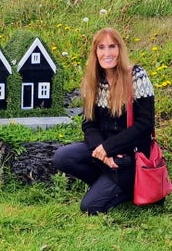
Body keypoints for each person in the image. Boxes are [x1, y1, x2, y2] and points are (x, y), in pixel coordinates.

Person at [52, 27, 155, 214]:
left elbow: (144, 124)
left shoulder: (137, 76)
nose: (107, 53)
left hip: (129, 156)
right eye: (101, 47)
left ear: (120, 49)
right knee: (63, 157)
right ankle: (105, 182)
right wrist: (103, 152)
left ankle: (126, 189)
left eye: (111, 46)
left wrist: (110, 149)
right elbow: (89, 124)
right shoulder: (94, 81)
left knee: (89, 207)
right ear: (95, 52)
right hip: (104, 154)